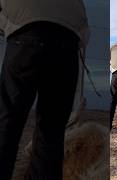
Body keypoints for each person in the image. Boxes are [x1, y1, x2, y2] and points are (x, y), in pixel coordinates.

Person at [0, 1, 89, 180]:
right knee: (52, 129)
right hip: (67, 44)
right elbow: (84, 33)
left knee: (7, 122)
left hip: (25, 36)